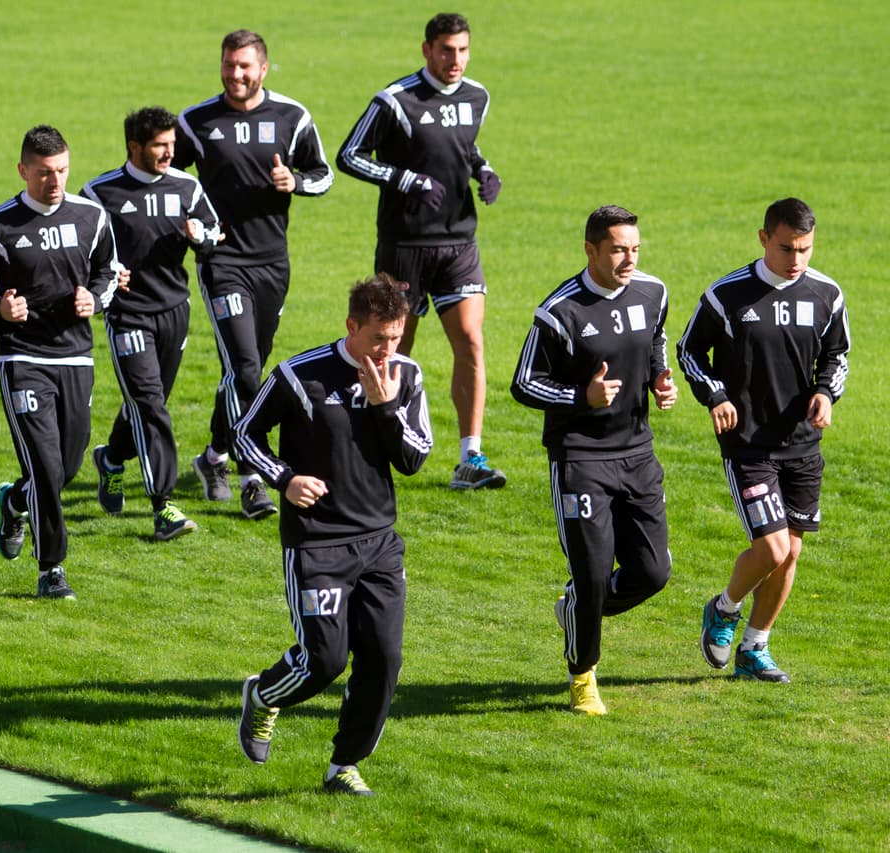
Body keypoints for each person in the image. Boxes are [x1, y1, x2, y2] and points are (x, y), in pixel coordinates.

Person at [232, 274, 432, 796]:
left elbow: (414, 458)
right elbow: (244, 436)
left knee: (384, 658)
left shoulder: (405, 377)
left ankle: (344, 764)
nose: (388, 349)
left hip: (379, 543)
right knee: (324, 660)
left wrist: (384, 405)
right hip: (316, 542)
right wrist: (285, 479)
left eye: (397, 337)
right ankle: (264, 696)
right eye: (378, 338)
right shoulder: (300, 376)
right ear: (352, 327)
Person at [510, 206, 676, 715]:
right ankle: (583, 676)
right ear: (591, 250)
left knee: (652, 572)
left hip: (637, 452)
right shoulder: (559, 312)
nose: (629, 259)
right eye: (618, 250)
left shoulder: (653, 292)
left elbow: (654, 341)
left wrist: (659, 379)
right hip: (581, 458)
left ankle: (578, 607)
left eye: (635, 249)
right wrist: (583, 398)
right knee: (592, 572)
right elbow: (524, 383)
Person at [678, 198, 849, 683]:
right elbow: (690, 350)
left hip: (802, 444)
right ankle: (724, 608)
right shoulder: (727, 295)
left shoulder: (826, 294)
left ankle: (755, 648)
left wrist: (825, 393)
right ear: (762, 238)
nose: (797, 260)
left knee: (791, 552)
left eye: (806, 249)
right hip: (748, 443)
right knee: (773, 550)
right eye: (787, 248)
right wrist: (715, 396)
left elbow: (837, 356)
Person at [337, 12, 506, 490]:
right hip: (405, 244)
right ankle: (377, 442)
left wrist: (484, 170)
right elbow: (349, 155)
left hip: (459, 243)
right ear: (427, 50)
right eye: (446, 50)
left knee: (471, 340)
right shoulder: (395, 100)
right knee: (395, 347)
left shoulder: (478, 96)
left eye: (463, 50)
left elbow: (462, 146)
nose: (456, 60)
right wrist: (404, 179)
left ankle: (470, 458)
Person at [174, 29, 333, 520]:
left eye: (244, 66)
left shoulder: (293, 116)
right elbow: (169, 179)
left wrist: (296, 182)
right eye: (228, 65)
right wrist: (188, 226)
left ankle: (212, 457)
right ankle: (252, 476)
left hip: (272, 263)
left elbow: (323, 173)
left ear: (263, 68)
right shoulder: (197, 121)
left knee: (247, 370)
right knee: (245, 367)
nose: (235, 74)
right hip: (221, 261)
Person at [0, 125, 120, 600]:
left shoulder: (92, 216)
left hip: (75, 355)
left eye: (63, 170)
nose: (56, 181)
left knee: (68, 465)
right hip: (21, 357)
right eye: (46, 172)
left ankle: (13, 501)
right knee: (47, 467)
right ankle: (52, 568)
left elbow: (108, 270)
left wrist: (97, 297)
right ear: (23, 170)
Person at [81, 107, 221, 541]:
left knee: (149, 402)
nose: (169, 153)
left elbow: (215, 231)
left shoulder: (186, 186)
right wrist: (102, 276)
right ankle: (164, 505)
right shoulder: (99, 192)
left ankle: (111, 457)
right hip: (127, 314)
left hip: (174, 310)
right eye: (160, 146)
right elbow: (77, 252)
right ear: (134, 147)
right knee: (151, 406)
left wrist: (201, 238)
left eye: (172, 145)